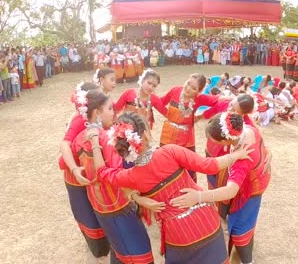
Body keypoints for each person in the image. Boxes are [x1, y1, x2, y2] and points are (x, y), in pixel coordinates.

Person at [97, 112, 253, 264]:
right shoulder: (170, 151)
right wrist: (235, 155)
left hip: (179, 236)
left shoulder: (130, 176)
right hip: (206, 222)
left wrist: (94, 142)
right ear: (144, 135)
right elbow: (210, 166)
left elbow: (101, 173)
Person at [171, 112, 271, 264]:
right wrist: (269, 152)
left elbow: (231, 190)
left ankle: (248, 261)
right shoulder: (246, 129)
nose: (215, 145)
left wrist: (197, 197)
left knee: (240, 230)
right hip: (253, 180)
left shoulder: (243, 159)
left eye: (216, 142)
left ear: (226, 139)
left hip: (249, 192)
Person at [72, 90, 159, 264]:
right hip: (120, 205)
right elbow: (119, 174)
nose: (114, 112)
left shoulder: (79, 138)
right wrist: (137, 197)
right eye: (110, 108)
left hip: (98, 205)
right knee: (139, 249)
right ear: (97, 113)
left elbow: (64, 163)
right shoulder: (108, 140)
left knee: (118, 247)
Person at [58, 82, 110, 262]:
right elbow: (64, 144)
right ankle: (99, 250)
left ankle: (102, 246)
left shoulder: (95, 117)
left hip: (88, 173)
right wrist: (74, 169)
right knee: (86, 213)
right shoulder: (81, 119)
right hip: (77, 175)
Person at [159, 73, 221, 182]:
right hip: (167, 136)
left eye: (193, 88)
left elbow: (217, 101)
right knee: (166, 166)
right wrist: (168, 115)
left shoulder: (199, 98)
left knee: (187, 167)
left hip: (186, 140)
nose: (188, 89)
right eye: (188, 84)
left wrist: (202, 116)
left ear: (199, 91)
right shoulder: (175, 91)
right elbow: (160, 102)